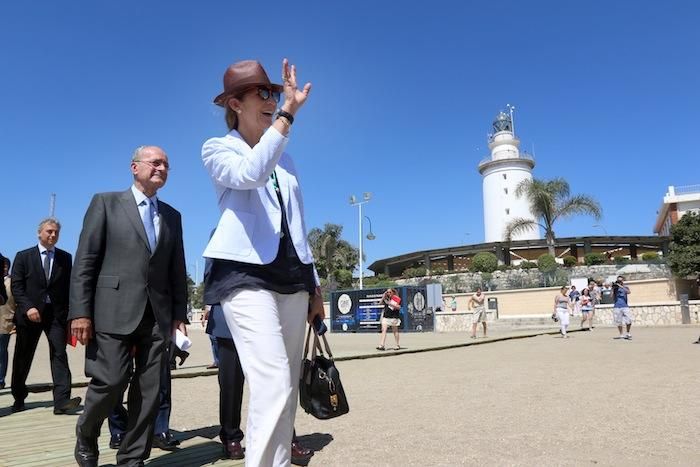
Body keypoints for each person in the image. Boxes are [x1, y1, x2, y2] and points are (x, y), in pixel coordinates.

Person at [202, 59, 324, 466]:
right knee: (271, 380)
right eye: (263, 94)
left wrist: (316, 285)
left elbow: (299, 224)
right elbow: (251, 174)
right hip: (243, 275)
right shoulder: (217, 148)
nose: (273, 100)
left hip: (292, 276)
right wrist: (288, 114)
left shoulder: (286, 159)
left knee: (286, 383)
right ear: (235, 103)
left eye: (274, 93)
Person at [70, 145, 188, 467]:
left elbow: (177, 270)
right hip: (111, 310)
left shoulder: (173, 217)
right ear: (134, 168)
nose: (162, 168)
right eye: (155, 162)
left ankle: (132, 458)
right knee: (110, 381)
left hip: (157, 317)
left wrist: (179, 316)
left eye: (166, 164)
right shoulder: (105, 203)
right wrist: (80, 312)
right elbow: (85, 261)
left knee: (150, 392)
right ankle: (87, 431)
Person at [10, 218, 81, 414]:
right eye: (49, 231)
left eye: (56, 232)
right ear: (39, 233)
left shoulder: (65, 258)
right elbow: (17, 286)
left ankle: (62, 402)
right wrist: (28, 307)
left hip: (55, 315)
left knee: (59, 354)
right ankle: (18, 397)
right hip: (29, 314)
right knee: (23, 357)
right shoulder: (23, 256)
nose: (53, 235)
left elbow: (69, 287)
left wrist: (72, 313)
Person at [0, 256, 16, 389]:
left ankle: (0, 380)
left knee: (1, 351)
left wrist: (15, 322)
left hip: (5, 322)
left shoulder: (12, 282)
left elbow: (17, 303)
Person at [612, 275, 632, 340]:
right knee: (619, 321)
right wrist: (613, 288)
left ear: (623, 281)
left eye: (620, 280)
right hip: (617, 306)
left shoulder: (625, 287)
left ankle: (628, 332)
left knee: (629, 320)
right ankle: (621, 334)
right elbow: (611, 296)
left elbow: (628, 292)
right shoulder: (615, 288)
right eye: (618, 280)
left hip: (625, 306)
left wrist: (621, 286)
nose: (619, 282)